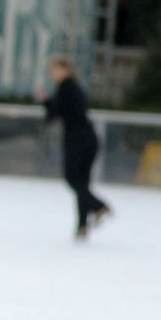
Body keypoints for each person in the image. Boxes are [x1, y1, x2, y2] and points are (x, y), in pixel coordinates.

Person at [40, 55, 112, 240]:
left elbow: (53, 113)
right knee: (82, 182)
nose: (53, 74)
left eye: (56, 70)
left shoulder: (66, 87)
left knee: (73, 179)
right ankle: (82, 226)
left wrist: (45, 101)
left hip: (78, 140)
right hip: (89, 138)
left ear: (65, 69)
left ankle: (98, 206)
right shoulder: (73, 87)